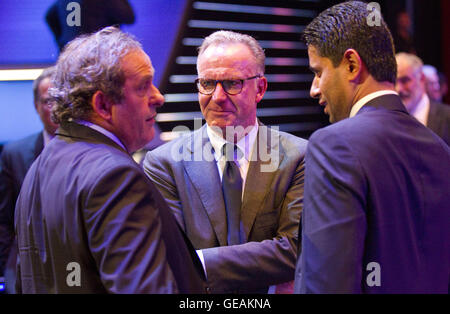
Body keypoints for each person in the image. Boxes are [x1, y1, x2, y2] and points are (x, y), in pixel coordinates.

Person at [14, 26, 207, 294]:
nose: (158, 97)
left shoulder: (36, 171)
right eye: (143, 86)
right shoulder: (115, 177)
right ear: (103, 105)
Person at [294, 1, 449, 293]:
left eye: (318, 72)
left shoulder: (333, 144)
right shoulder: (440, 149)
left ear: (351, 64)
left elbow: (327, 282)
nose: (314, 89)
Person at [143, 30, 307, 293]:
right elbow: (168, 258)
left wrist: (197, 262)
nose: (217, 96)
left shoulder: (298, 157)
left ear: (260, 89)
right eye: (207, 83)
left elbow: (294, 250)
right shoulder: (164, 164)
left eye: (232, 83)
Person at [0, 67, 58, 293]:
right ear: (36, 106)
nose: (53, 108)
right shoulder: (13, 153)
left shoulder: (89, 151)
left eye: (58, 100)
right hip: (24, 265)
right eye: (46, 101)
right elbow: (4, 219)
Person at [395, 53, 450, 145]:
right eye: (394, 82)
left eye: (405, 80)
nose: (398, 89)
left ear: (422, 79)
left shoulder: (447, 117)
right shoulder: (388, 120)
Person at [46, 0, 135, 51]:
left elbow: (49, 16)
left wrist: (61, 41)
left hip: (70, 53)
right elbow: (128, 17)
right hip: (99, 53)